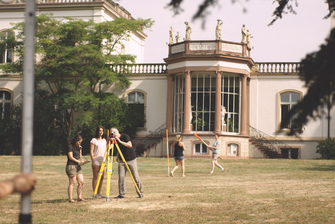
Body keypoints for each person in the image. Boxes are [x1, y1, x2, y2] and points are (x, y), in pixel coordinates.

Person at [110, 127, 143, 199]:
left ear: (118, 132)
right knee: (121, 177)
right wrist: (117, 157)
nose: (113, 134)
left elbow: (129, 145)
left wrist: (120, 141)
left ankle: (140, 192)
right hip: (122, 160)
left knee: (135, 177)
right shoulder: (115, 140)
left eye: (114, 132)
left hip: (131, 159)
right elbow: (119, 148)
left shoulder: (125, 136)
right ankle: (121, 194)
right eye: (111, 133)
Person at [66, 135, 86, 203]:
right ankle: (70, 199)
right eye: (79, 142)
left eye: (80, 142)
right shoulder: (70, 147)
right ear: (76, 140)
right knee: (72, 183)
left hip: (78, 166)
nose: (79, 143)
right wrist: (79, 161)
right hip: (71, 166)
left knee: (81, 182)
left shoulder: (77, 147)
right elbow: (71, 157)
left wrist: (80, 150)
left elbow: (79, 157)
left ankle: (79, 197)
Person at [90, 125, 107, 199]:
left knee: (102, 177)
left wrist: (107, 158)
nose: (101, 132)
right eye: (100, 131)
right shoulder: (94, 140)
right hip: (96, 160)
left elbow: (106, 150)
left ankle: (99, 193)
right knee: (96, 177)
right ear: (97, 131)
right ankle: (95, 193)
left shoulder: (104, 140)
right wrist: (93, 161)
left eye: (102, 131)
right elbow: (91, 151)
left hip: (103, 161)